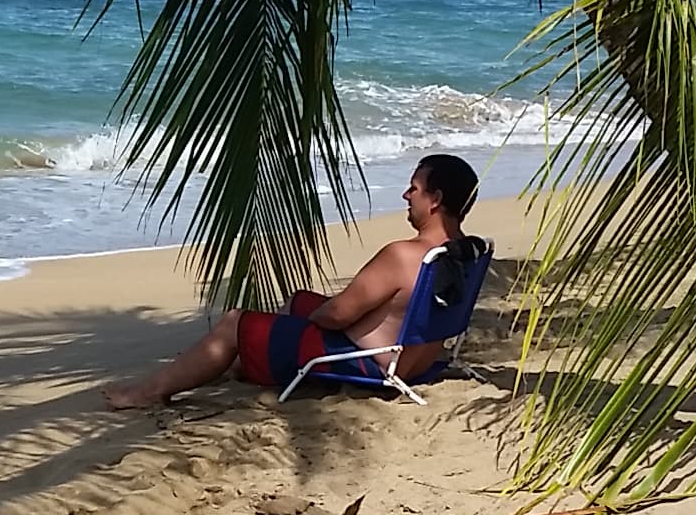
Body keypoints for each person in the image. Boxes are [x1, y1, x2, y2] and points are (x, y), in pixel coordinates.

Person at [105, 154, 478, 409]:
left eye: (414, 188)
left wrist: (316, 319)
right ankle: (232, 364)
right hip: (413, 360)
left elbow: (337, 316)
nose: (406, 195)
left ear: (435, 199)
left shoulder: (403, 255)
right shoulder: (464, 252)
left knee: (235, 323)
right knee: (300, 300)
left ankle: (149, 392)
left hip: (369, 364)